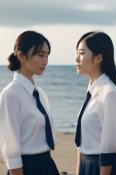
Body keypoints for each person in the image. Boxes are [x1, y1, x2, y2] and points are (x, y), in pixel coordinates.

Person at [0, 31, 59, 175]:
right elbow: (10, 147)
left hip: (48, 164)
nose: (45, 61)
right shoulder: (10, 94)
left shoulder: (41, 94)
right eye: (40, 55)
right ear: (21, 55)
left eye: (47, 55)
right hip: (26, 168)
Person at [75, 31, 116, 175]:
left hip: (103, 168)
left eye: (82, 53)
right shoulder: (92, 90)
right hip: (87, 165)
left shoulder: (109, 93)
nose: (77, 58)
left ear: (98, 57)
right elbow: (82, 143)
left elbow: (109, 148)